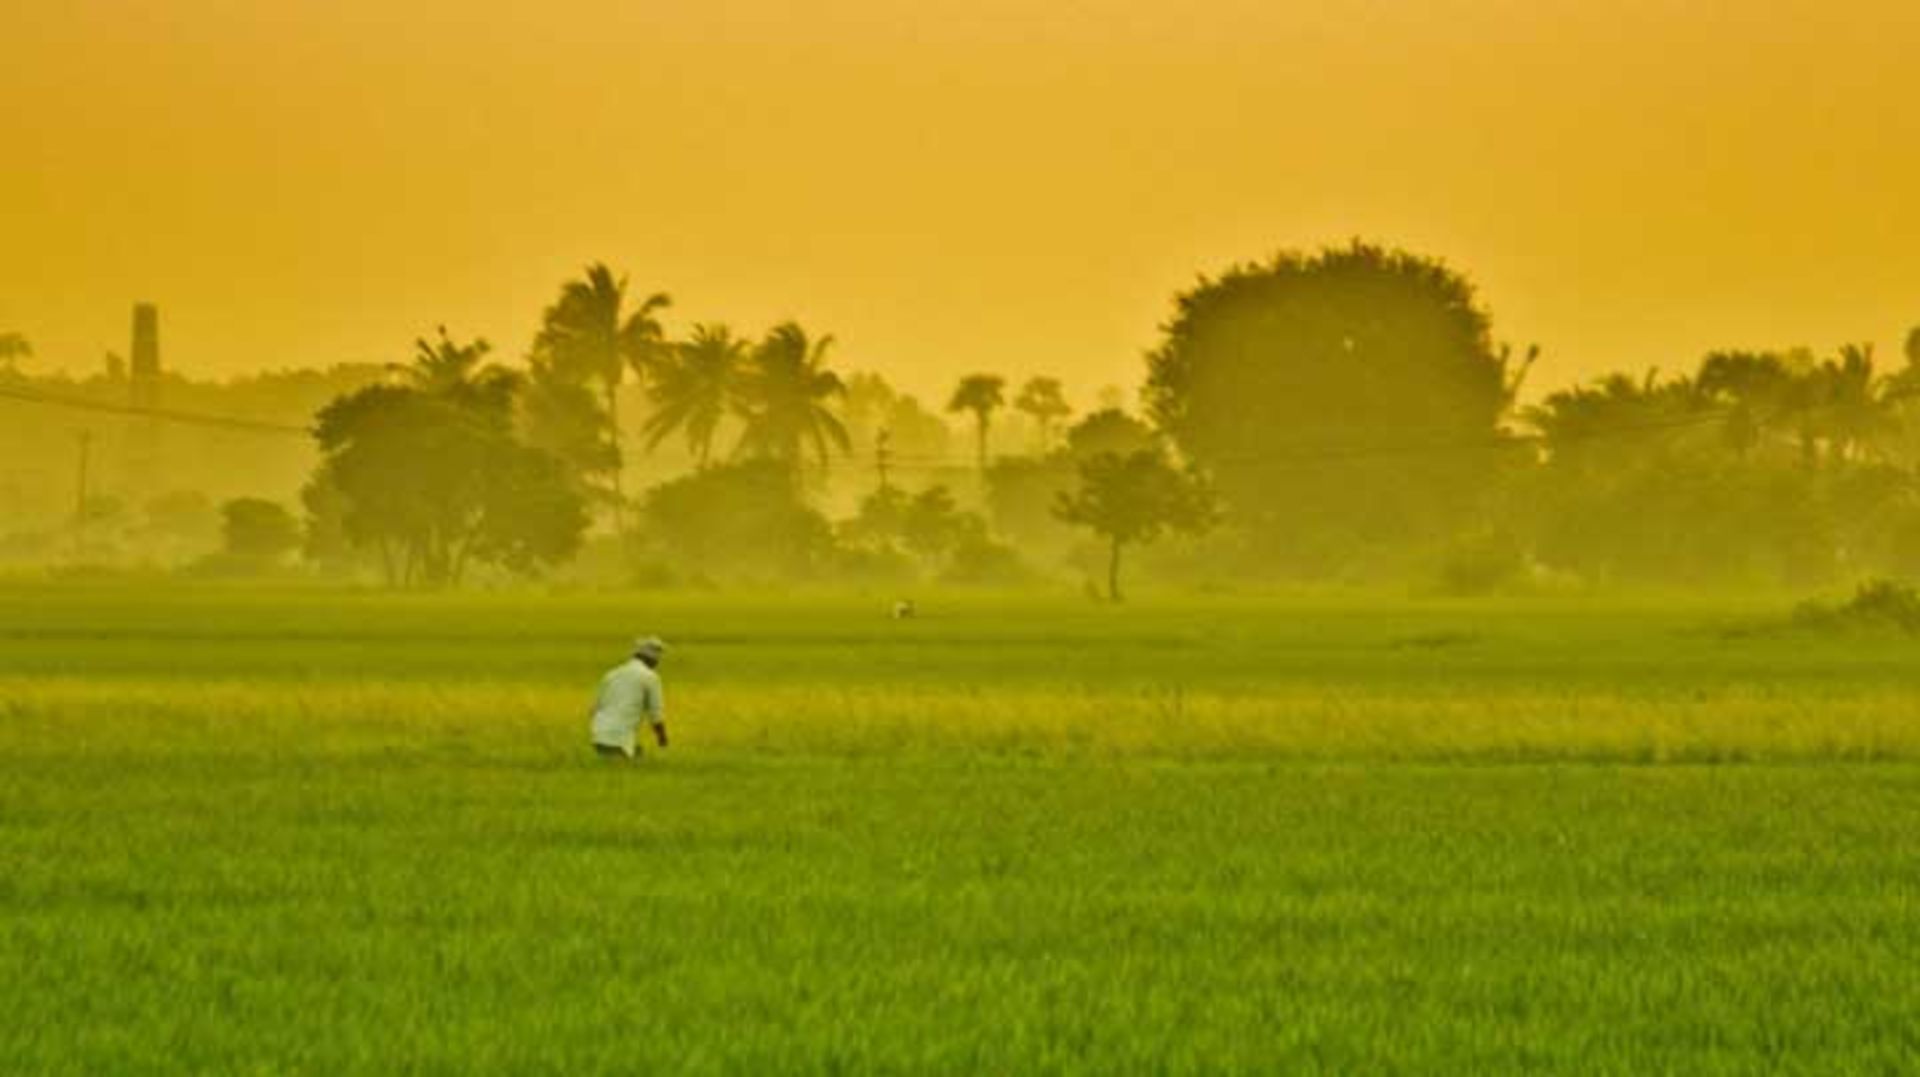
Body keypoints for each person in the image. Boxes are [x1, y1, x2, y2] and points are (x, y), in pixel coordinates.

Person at [590, 636, 668, 761]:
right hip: (619, 737)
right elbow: (656, 714)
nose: (657, 663)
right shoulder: (650, 677)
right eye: (657, 659)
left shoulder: (611, 674)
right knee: (622, 773)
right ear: (651, 659)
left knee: (638, 756)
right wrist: (662, 738)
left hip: (599, 733)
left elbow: (593, 709)